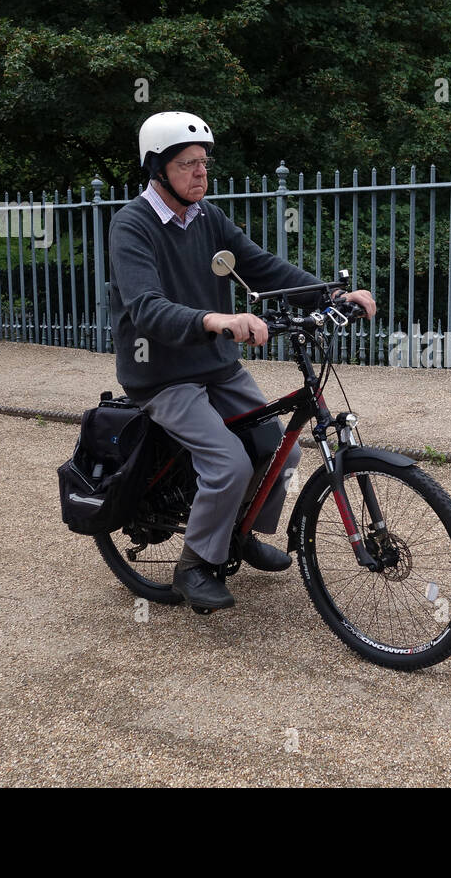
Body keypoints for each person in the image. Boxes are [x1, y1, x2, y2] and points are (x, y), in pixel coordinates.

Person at [108, 111, 377, 610]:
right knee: (227, 461)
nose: (200, 174)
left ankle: (239, 531)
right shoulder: (133, 225)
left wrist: (332, 295)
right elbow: (145, 307)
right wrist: (215, 319)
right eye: (188, 164)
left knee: (282, 451)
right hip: (163, 373)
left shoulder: (209, 218)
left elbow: (263, 267)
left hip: (216, 365)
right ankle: (195, 565)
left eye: (204, 164)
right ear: (157, 169)